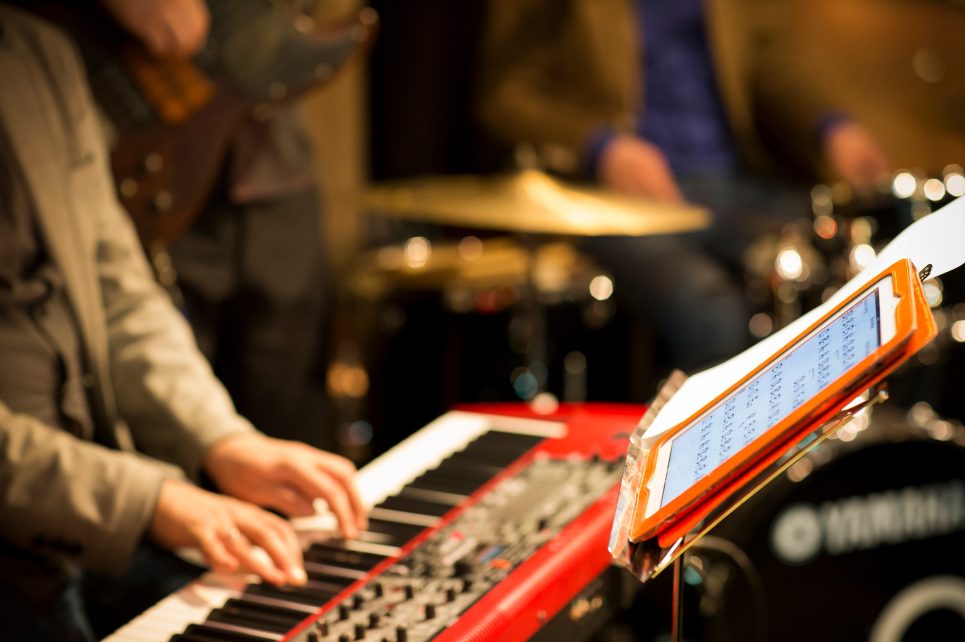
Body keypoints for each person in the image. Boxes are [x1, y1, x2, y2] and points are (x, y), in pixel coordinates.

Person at [0, 5, 366, 641]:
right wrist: (149, 502)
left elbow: (117, 286)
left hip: (87, 529)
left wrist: (221, 440)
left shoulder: (35, 52)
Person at [477, 0, 891, 377]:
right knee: (711, 313)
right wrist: (599, 147)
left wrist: (830, 126)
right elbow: (504, 96)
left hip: (732, 183)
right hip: (611, 199)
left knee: (851, 267)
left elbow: (767, 57)